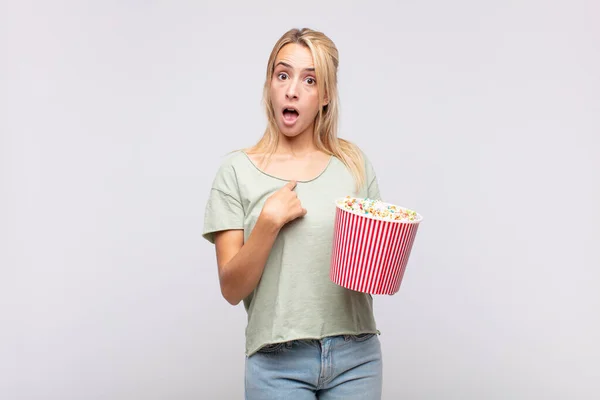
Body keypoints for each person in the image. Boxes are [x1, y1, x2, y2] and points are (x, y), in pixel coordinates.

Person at [202, 27, 384, 399]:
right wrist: (268, 223)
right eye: (282, 75)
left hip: (357, 357)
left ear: (326, 96)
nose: (292, 90)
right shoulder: (236, 171)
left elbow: (370, 272)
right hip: (276, 365)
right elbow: (231, 289)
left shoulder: (353, 165)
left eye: (310, 79)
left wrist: (384, 254)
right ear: (269, 84)